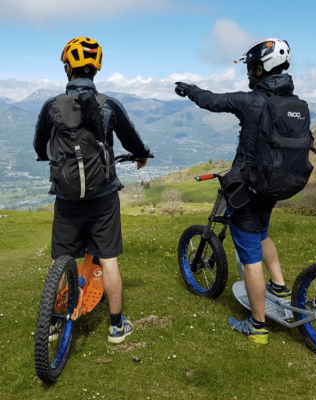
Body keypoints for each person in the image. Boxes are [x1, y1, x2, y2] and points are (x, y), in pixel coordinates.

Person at [175, 38, 294, 345]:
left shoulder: (251, 101)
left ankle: (257, 326)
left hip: (248, 188)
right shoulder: (293, 104)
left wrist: (188, 89)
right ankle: (279, 287)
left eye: (251, 68)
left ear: (260, 69)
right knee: (263, 234)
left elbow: (212, 100)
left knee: (249, 255)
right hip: (276, 185)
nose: (249, 74)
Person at [33, 37, 151, 344]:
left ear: (68, 68)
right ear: (96, 69)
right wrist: (141, 154)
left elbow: (39, 143)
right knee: (109, 258)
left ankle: (54, 323)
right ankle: (116, 326)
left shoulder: (51, 107)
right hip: (103, 196)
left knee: (61, 258)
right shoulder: (109, 105)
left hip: (66, 197)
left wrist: (48, 156)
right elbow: (132, 140)